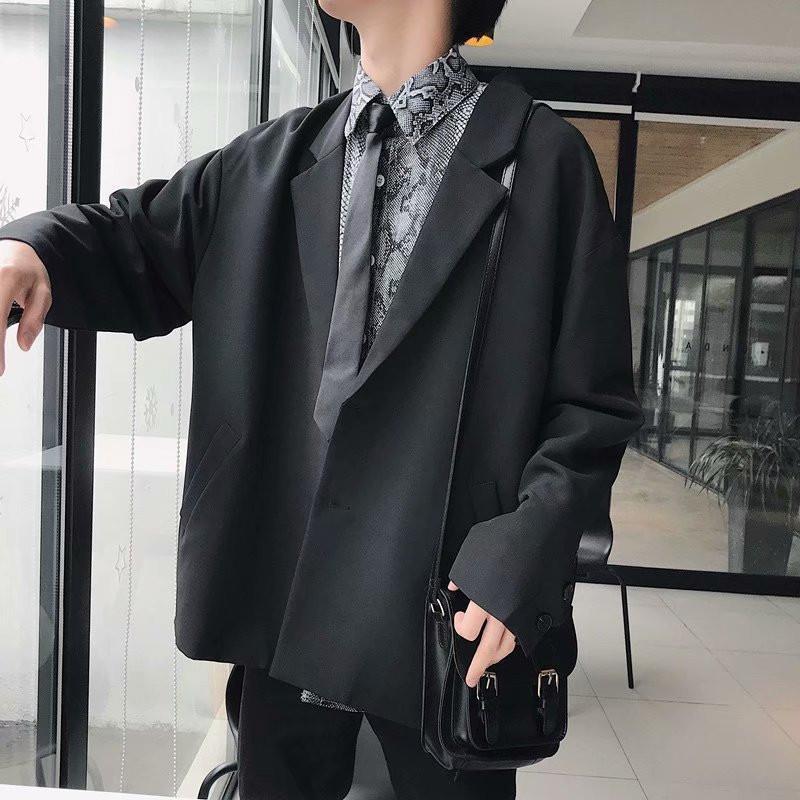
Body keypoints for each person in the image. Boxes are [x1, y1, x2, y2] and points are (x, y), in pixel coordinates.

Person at [0, 0, 645, 796]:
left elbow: (591, 406)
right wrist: (31, 249)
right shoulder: (274, 161)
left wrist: (522, 554)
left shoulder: (543, 163)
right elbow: (138, 238)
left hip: (447, 612)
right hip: (289, 597)